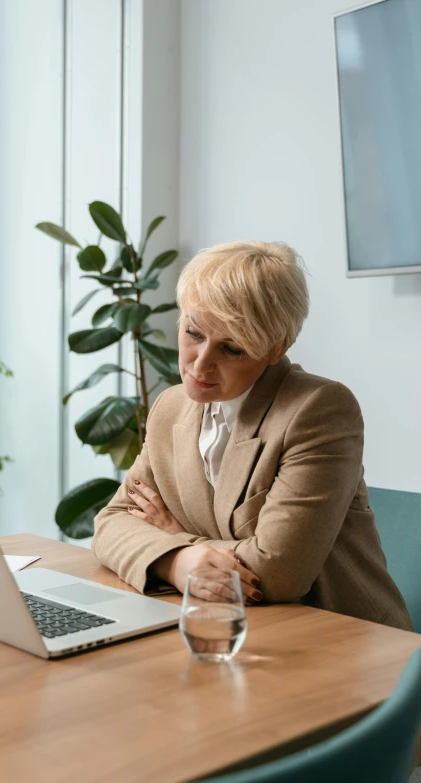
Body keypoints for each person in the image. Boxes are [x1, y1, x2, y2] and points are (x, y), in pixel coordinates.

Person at [92, 240, 412, 631]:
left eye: (231, 349)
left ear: (276, 348)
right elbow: (111, 523)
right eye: (193, 332)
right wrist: (179, 563)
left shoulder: (318, 410)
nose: (201, 362)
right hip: (226, 626)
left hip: (337, 637)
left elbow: (277, 572)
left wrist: (181, 542)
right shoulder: (170, 408)